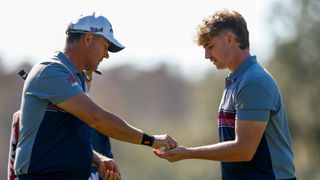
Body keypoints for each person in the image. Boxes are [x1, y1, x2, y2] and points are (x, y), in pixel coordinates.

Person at [14, 12, 177, 180]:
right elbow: (98, 119)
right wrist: (151, 140)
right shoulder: (50, 71)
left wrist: (98, 159)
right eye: (106, 45)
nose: (107, 54)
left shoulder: (77, 77)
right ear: (89, 38)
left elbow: (65, 137)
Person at [154, 10, 296, 180]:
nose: (206, 56)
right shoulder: (237, 81)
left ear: (229, 38)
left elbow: (244, 150)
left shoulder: (254, 81)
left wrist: (187, 153)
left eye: (210, 46)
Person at [8, 71, 114, 180]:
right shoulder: (23, 117)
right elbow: (13, 172)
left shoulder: (99, 122)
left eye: (87, 79)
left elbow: (109, 171)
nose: (82, 85)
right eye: (74, 80)